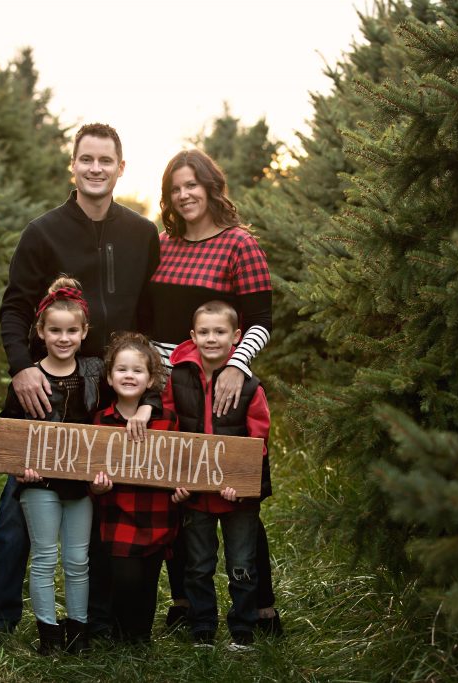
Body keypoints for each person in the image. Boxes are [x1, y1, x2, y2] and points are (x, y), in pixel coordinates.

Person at [0, 123, 160, 643]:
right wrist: (21, 368)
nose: (96, 168)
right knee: (22, 494)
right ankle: (0, 617)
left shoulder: (140, 234)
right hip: (44, 387)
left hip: (108, 390)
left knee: (100, 499)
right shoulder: (43, 232)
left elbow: (148, 321)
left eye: (106, 160)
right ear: (73, 166)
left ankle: (93, 620)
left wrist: (144, 391)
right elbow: (14, 308)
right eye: (87, 159)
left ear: (121, 167)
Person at [149, 149, 281, 635]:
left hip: (218, 385)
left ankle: (260, 609)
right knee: (178, 497)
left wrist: (236, 368)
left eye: (192, 185)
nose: (184, 195)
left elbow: (261, 321)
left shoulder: (239, 245)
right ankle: (187, 604)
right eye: (175, 188)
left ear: (210, 186)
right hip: (167, 385)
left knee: (236, 492)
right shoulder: (162, 244)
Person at [163, 300, 271, 650]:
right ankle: (203, 628)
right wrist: (175, 479)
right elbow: (168, 430)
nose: (212, 339)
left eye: (220, 332)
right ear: (193, 336)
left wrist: (239, 483)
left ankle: (242, 629)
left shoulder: (250, 386)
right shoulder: (177, 378)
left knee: (242, 565)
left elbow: (259, 439)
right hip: (195, 495)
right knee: (198, 565)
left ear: (236, 336)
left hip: (236, 496)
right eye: (204, 332)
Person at [14, 277, 101, 654]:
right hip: (40, 486)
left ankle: (78, 634)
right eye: (55, 330)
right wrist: (21, 467)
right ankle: (48, 635)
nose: (63, 338)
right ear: (41, 331)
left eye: (71, 331)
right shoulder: (29, 379)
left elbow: (108, 423)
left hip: (80, 487)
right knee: (45, 558)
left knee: (77, 560)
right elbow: (10, 430)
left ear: (83, 332)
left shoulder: (94, 375)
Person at [89, 332, 190, 643]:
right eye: (121, 369)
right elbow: (91, 471)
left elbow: (181, 466)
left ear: (150, 381)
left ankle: (139, 638)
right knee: (126, 578)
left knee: (148, 579)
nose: (129, 376)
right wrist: (98, 487)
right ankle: (120, 634)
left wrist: (181, 489)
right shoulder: (101, 421)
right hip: (118, 515)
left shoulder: (168, 421)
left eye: (137, 370)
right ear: (109, 377)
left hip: (158, 514)